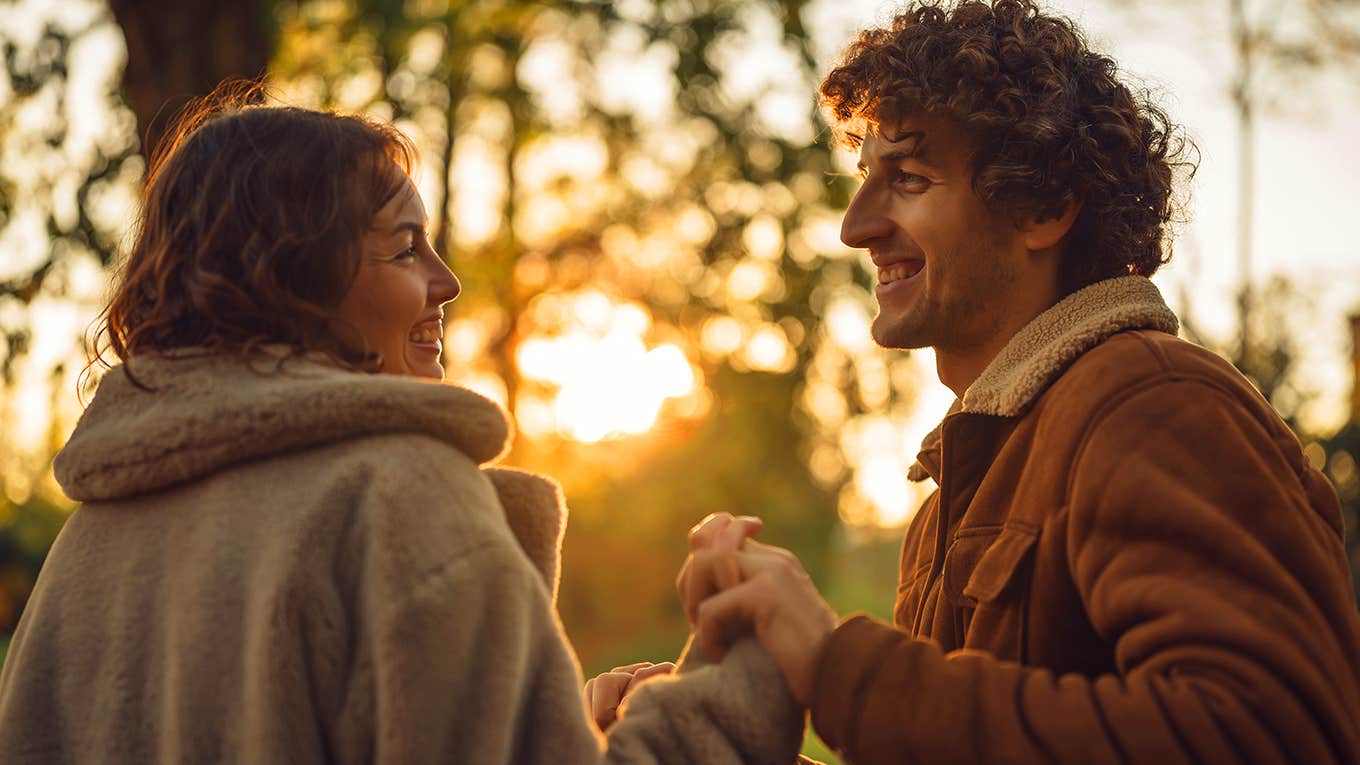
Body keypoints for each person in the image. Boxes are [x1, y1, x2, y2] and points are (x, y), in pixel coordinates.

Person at [0, 85, 805, 764]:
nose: (448, 282)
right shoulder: (400, 497)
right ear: (293, 276)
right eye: (405, 249)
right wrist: (733, 690)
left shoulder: (89, 545)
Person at [678, 1, 1360, 762]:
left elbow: (1274, 737)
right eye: (865, 176)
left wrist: (836, 666)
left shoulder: (1154, 403)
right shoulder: (952, 498)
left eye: (907, 177)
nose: (856, 226)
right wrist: (711, 745)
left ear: (1044, 204)